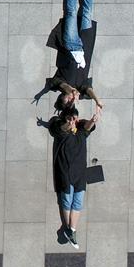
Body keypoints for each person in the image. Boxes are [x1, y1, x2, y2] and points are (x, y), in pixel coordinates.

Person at [45, 0, 102, 112]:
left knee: (70, 14)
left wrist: (70, 89)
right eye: (72, 101)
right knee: (87, 13)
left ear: (63, 96)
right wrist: (97, 100)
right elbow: (89, 89)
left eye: (68, 98)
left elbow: (59, 84)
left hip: (71, 45)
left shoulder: (59, 83)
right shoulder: (81, 90)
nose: (72, 98)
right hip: (86, 45)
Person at [49, 104, 100, 250]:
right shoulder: (61, 133)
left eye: (75, 119)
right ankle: (69, 230)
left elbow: (88, 127)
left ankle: (71, 230)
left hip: (80, 173)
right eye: (70, 118)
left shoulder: (81, 132)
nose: (73, 121)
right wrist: (68, 124)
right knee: (67, 200)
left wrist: (93, 120)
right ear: (65, 119)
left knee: (77, 203)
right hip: (65, 172)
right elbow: (61, 128)